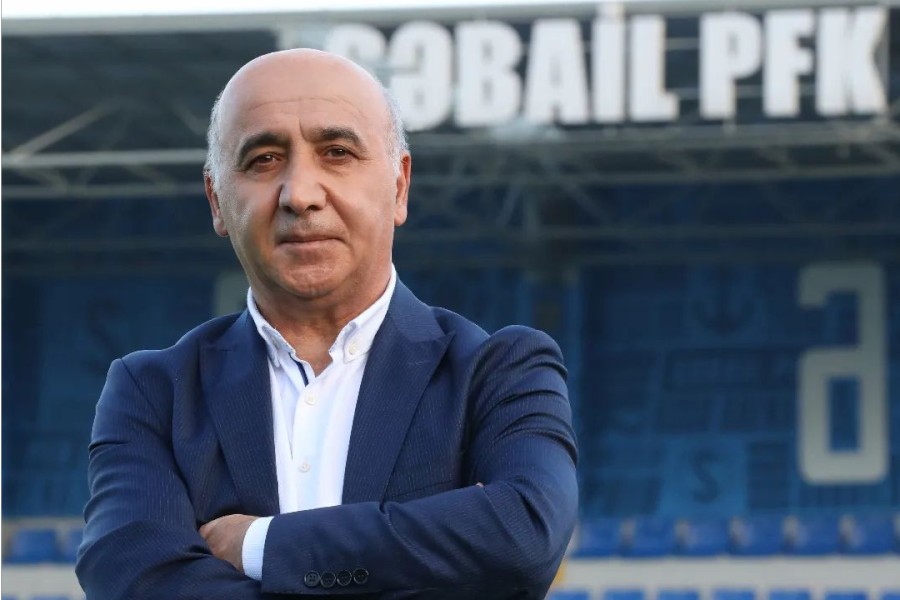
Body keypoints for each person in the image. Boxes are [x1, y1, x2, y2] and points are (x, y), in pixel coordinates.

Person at [76, 48, 578, 599]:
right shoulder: (154, 393)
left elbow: (523, 535)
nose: (300, 195)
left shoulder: (500, 373)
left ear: (399, 186)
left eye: (337, 153)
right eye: (264, 159)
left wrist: (262, 545)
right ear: (217, 201)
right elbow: (132, 577)